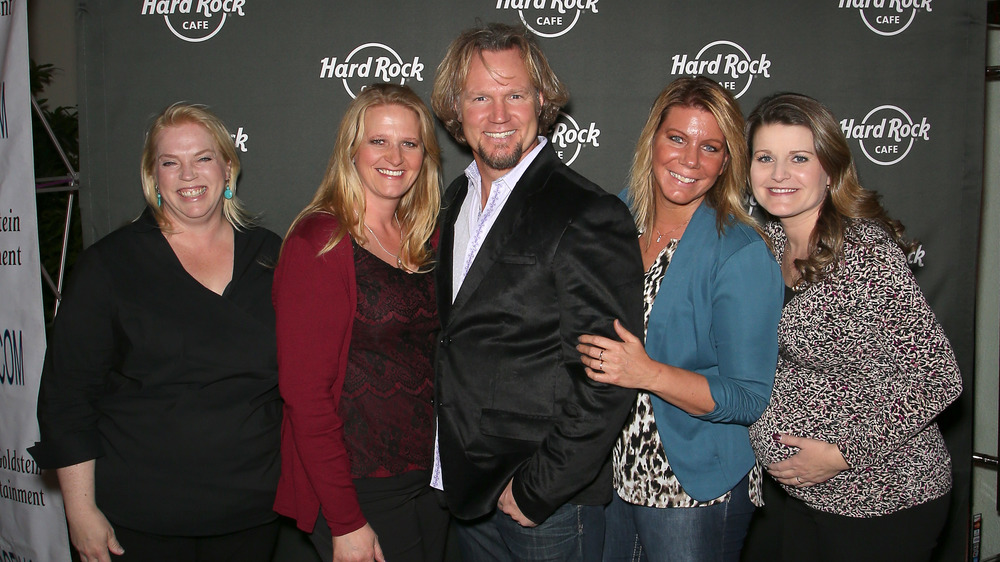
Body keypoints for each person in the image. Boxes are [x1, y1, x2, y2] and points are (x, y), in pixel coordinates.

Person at [28, 103, 282, 562]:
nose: (188, 174)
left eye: (203, 158)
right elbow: (67, 398)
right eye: (170, 162)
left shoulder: (270, 255)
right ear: (153, 176)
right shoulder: (109, 265)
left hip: (251, 512)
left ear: (228, 168)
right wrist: (80, 512)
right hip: (138, 518)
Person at [429, 22, 644, 561]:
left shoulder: (587, 212)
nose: (498, 116)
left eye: (515, 95)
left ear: (541, 99)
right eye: (480, 97)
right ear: (457, 109)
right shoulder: (456, 197)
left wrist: (536, 491)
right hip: (467, 489)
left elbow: (608, 377)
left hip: (543, 502)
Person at [744, 93, 962, 562]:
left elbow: (938, 377)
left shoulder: (864, 253)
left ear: (830, 170)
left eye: (799, 158)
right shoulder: (769, 245)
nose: (779, 174)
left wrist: (842, 453)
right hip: (810, 498)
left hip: (884, 498)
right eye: (765, 158)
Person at [576, 77, 783, 562]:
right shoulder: (617, 217)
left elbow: (751, 398)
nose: (690, 160)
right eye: (677, 138)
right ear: (652, 139)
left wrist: (646, 373)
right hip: (611, 470)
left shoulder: (740, 251)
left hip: (693, 483)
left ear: (727, 160)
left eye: (710, 147)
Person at [272, 83, 448, 562]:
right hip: (360, 486)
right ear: (351, 150)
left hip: (430, 479)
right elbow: (305, 397)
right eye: (379, 141)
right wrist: (345, 519)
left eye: (410, 143)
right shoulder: (321, 241)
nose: (395, 155)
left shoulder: (425, 237)